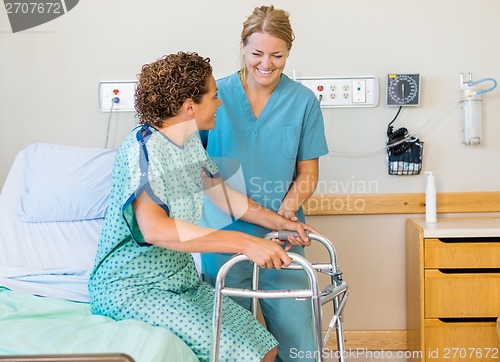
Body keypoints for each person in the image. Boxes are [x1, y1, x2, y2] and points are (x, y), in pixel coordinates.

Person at [88, 51, 317, 362]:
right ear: (189, 106)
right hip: (134, 289)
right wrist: (245, 243)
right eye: (214, 96)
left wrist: (280, 223)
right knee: (241, 353)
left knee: (265, 347)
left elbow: (222, 194)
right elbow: (155, 229)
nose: (220, 103)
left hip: (182, 283)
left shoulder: (188, 141)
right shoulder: (143, 149)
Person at [200, 5, 329, 361]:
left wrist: (286, 216)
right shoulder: (212, 99)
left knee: (299, 340)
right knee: (233, 343)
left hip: (283, 237)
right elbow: (203, 178)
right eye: (257, 53)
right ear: (242, 47)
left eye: (277, 55)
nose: (266, 64)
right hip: (224, 235)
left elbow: (308, 173)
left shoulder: (303, 102)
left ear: (289, 52)